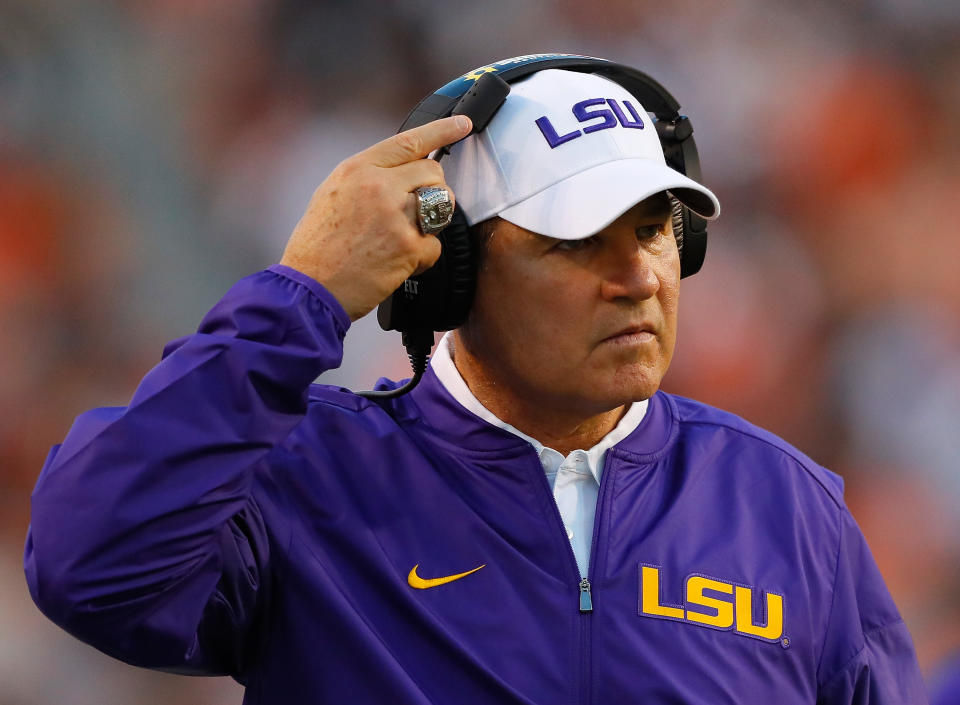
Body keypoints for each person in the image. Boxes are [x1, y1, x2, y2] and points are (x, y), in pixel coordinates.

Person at [25, 62, 926, 703]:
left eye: (655, 230)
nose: (640, 276)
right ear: (450, 270)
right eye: (576, 240)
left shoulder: (788, 506)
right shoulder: (310, 480)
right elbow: (89, 566)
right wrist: (303, 297)